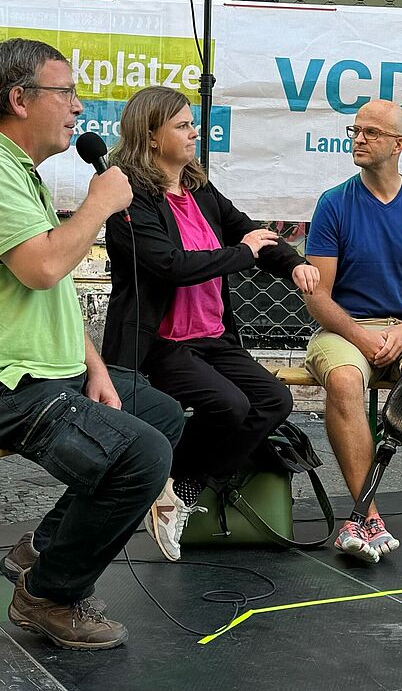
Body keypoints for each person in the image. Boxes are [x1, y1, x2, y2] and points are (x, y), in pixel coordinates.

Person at [0, 39, 186, 651]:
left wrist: (93, 365)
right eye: (65, 92)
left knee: (158, 413)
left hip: (37, 375)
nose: (78, 106)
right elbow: (42, 267)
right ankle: (50, 594)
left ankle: (42, 549)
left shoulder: (18, 173)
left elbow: (51, 287)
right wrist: (98, 204)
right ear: (19, 99)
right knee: (140, 455)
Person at [101, 86, 319, 543]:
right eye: (182, 126)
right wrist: (239, 254)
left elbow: (250, 233)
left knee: (273, 401)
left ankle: (180, 486)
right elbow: (169, 266)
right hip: (160, 342)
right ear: (152, 136)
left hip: (213, 337)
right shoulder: (129, 198)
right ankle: (162, 479)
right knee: (229, 405)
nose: (193, 133)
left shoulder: (199, 188)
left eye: (192, 124)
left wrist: (293, 263)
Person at [302, 99, 402, 563]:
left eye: (370, 132)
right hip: (344, 328)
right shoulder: (334, 203)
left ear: (398, 144)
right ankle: (368, 513)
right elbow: (317, 295)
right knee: (345, 380)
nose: (359, 138)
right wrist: (363, 337)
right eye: (355, 130)